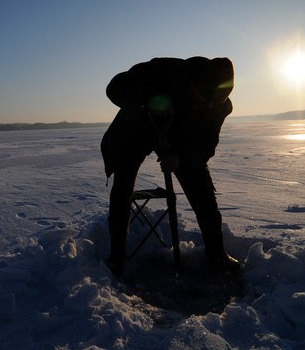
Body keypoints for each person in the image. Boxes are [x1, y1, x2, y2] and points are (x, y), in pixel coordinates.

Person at [101, 56, 239, 276]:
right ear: (194, 82)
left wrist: (180, 159)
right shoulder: (165, 70)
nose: (201, 106)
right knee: (123, 187)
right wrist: (150, 98)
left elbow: (205, 146)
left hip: (179, 141)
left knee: (201, 188)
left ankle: (216, 254)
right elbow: (115, 87)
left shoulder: (217, 107)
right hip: (135, 131)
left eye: (207, 104)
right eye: (200, 99)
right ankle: (116, 257)